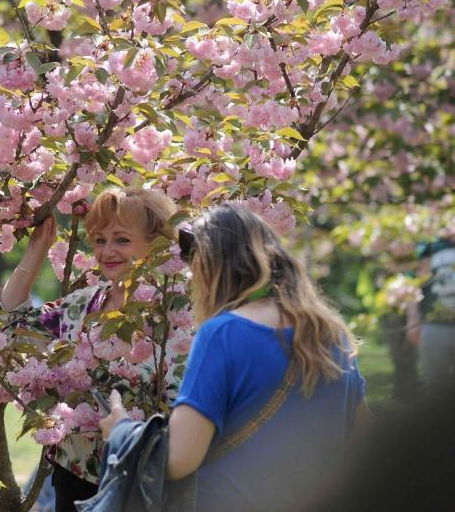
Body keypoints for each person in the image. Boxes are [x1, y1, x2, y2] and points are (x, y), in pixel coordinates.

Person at [100, 204, 369, 511]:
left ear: (210, 268)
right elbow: (362, 442)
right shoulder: (331, 335)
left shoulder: (224, 334)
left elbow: (178, 459)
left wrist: (121, 430)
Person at [0, 187, 177, 512]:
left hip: (148, 482)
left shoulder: (176, 314)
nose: (108, 251)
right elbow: (9, 324)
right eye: (100, 240)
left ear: (155, 244)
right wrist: (36, 251)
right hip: (75, 482)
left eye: (122, 240)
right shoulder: (82, 306)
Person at [406, 238, 455, 390]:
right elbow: (413, 284)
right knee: (435, 384)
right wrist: (412, 320)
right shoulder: (428, 245)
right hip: (435, 324)